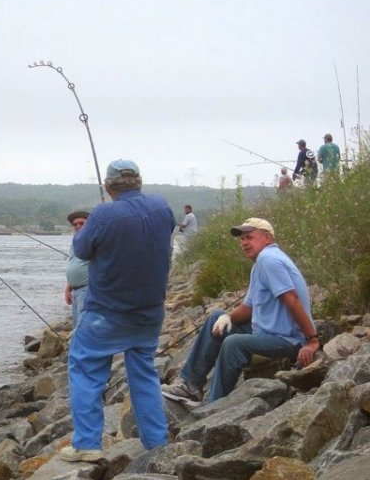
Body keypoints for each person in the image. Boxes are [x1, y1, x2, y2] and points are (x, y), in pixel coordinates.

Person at [61, 159, 175, 461]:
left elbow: (82, 250)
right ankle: (157, 442)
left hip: (106, 313)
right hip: (150, 313)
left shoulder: (102, 214)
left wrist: (105, 215)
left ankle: (87, 445)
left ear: (109, 187)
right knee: (144, 374)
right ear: (139, 181)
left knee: (85, 368)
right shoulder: (162, 207)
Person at [162, 218, 318, 407]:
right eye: (242, 239)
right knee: (215, 318)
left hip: (288, 340)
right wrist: (227, 317)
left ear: (267, 238)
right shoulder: (260, 264)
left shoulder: (269, 260)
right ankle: (190, 386)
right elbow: (249, 308)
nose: (244, 243)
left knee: (233, 343)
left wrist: (311, 340)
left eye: (250, 237)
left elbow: (291, 299)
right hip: (266, 333)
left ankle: (214, 406)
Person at [65, 210, 90, 327]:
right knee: (77, 326)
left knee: (83, 326)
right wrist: (68, 289)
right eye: (75, 224)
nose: (78, 226)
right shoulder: (75, 241)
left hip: (87, 290)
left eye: (81, 223)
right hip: (76, 290)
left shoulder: (93, 241)